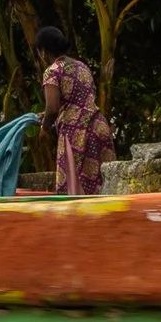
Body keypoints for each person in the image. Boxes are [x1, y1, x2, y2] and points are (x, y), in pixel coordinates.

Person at [35, 25, 113, 195]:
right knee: (102, 189)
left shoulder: (52, 71)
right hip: (98, 126)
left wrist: (44, 129)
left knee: (75, 190)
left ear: (43, 51)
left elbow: (52, 108)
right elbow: (77, 100)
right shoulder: (81, 66)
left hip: (76, 133)